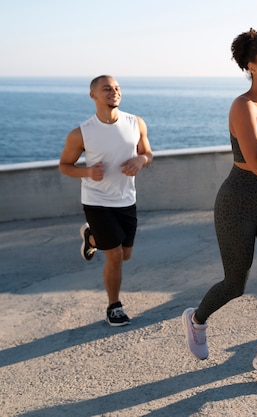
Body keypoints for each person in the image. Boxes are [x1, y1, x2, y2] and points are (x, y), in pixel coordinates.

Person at [181, 28, 257, 386]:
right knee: (236, 283)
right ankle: (197, 319)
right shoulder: (243, 106)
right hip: (238, 203)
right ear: (252, 66)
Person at [59, 75, 153, 326]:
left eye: (117, 88)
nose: (114, 92)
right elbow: (65, 166)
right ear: (94, 96)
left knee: (125, 255)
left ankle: (91, 237)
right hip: (97, 200)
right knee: (113, 254)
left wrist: (140, 160)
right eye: (107, 89)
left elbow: (148, 152)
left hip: (126, 199)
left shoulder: (136, 123)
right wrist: (88, 172)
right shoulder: (81, 133)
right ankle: (114, 306)